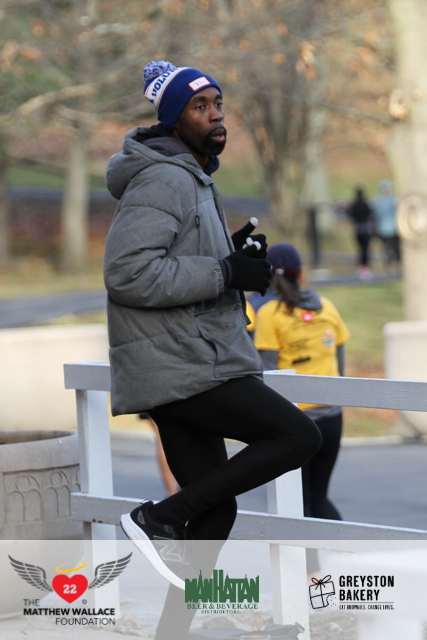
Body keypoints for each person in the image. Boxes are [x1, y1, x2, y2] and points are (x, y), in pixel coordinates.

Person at [103, 61, 321, 623]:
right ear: (175, 120)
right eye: (200, 107)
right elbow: (128, 274)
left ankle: (171, 631)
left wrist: (233, 257)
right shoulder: (163, 179)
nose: (216, 115)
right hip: (181, 363)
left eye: (218, 103)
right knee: (298, 435)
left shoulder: (191, 176)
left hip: (185, 359)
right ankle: (157, 518)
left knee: (214, 515)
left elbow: (180, 259)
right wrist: (224, 272)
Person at [253, 243, 350, 528]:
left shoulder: (269, 314)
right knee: (318, 498)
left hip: (295, 423)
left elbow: (268, 376)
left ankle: (317, 559)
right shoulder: (327, 307)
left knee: (298, 505)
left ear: (269, 275)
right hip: (332, 418)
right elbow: (340, 366)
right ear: (302, 271)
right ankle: (344, 549)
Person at [370, 179, 400, 266]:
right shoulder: (394, 199)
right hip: (393, 228)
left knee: (386, 245)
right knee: (393, 244)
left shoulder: (377, 200)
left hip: (383, 228)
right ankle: (395, 259)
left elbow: (374, 215)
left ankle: (388, 259)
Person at [347, 186, 373, 280]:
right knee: (365, 248)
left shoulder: (354, 204)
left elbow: (350, 214)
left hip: (357, 228)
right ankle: (366, 266)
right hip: (365, 228)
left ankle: (361, 266)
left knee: (360, 248)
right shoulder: (365, 204)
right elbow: (370, 213)